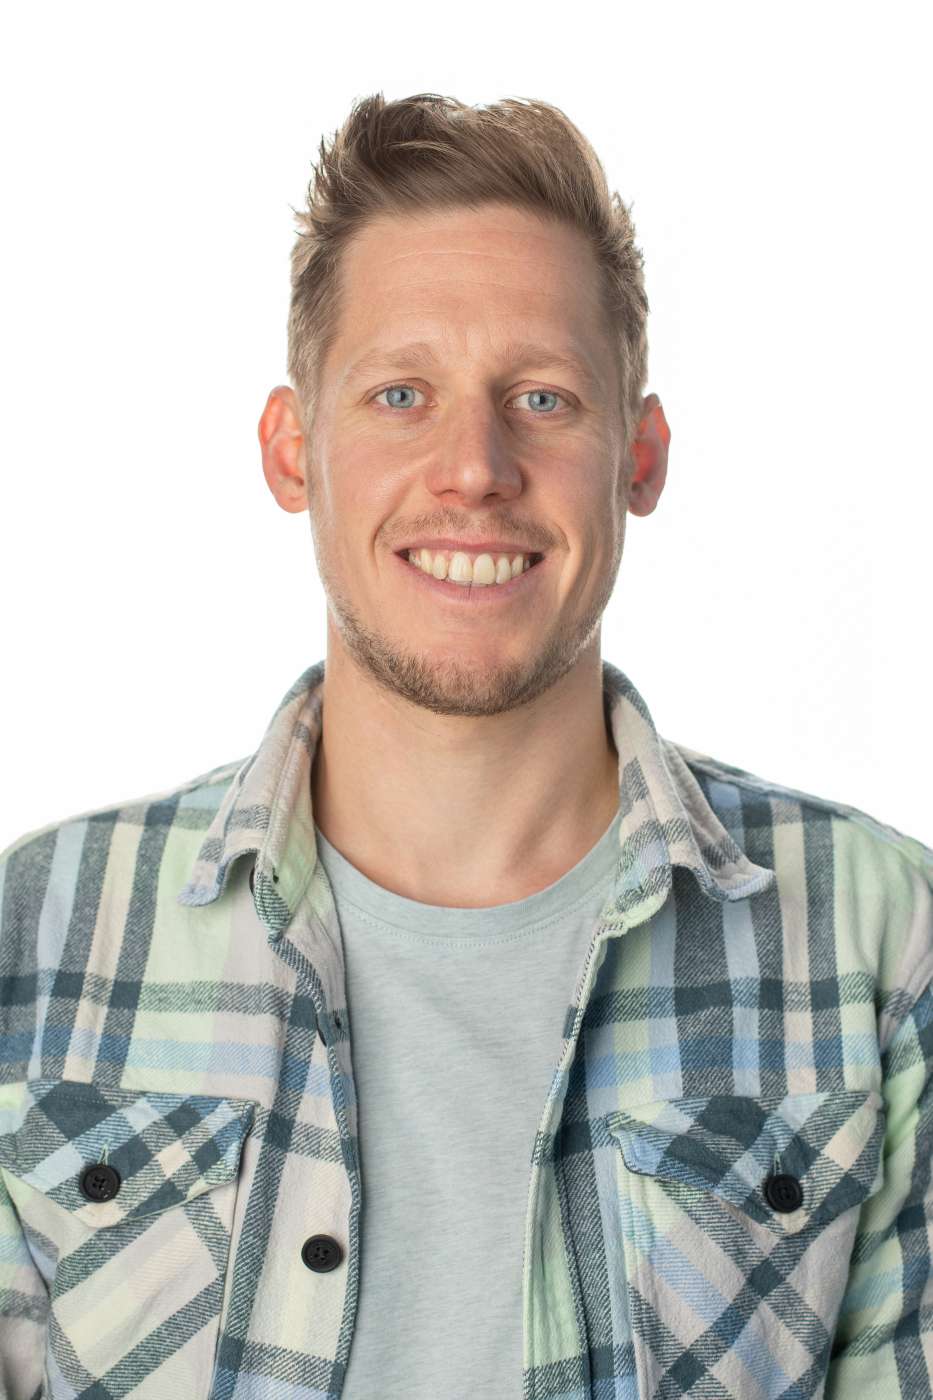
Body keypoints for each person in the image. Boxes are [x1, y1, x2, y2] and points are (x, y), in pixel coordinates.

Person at [1, 91, 930, 1400]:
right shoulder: (41, 937)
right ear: (293, 452)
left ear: (639, 457)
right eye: (400, 394)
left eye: (543, 398)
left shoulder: (881, 942)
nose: (475, 467)